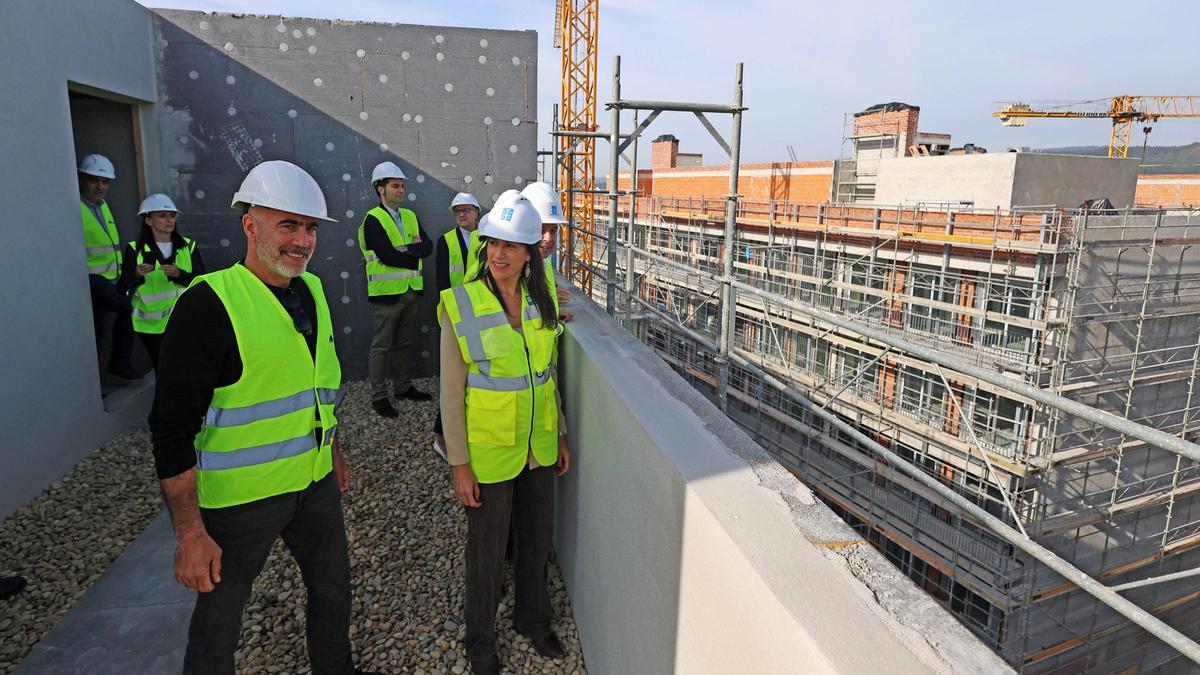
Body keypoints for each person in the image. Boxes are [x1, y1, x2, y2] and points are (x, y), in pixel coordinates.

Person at [149, 160, 377, 675]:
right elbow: (170, 429)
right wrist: (189, 534)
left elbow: (317, 389)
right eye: (288, 225)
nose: (303, 240)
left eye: (311, 227)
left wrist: (333, 452)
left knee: (332, 589)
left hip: (313, 483)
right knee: (220, 619)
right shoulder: (209, 304)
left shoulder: (312, 291)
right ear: (250, 224)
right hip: (240, 500)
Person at [439, 194, 572, 675]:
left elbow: (546, 373)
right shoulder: (460, 303)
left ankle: (533, 623)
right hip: (489, 451)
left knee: (537, 541)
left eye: (511, 246)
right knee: (487, 555)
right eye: (493, 242)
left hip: (537, 446)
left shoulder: (543, 299)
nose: (499, 253)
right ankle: (480, 643)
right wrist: (460, 463)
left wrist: (559, 435)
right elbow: (451, 394)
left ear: (530, 253)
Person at [357, 161, 434, 418]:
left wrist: (406, 250)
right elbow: (387, 255)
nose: (401, 190)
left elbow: (428, 247)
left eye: (402, 186)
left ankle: (402, 387)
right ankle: (379, 397)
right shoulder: (373, 220)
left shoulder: (410, 216)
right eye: (395, 186)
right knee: (381, 346)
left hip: (411, 290)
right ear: (381, 189)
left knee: (403, 343)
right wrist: (412, 252)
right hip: (387, 294)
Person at [118, 194, 204, 368]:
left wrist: (180, 274)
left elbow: (202, 281)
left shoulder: (188, 246)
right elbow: (122, 287)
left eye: (172, 215)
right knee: (164, 368)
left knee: (184, 367)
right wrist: (136, 274)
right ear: (148, 220)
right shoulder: (134, 249)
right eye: (162, 216)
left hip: (182, 320)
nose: (169, 220)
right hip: (150, 325)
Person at [79, 153, 138, 381]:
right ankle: (119, 365)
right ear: (83, 179)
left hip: (110, 278)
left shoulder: (102, 206)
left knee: (98, 331)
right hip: (92, 279)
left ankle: (99, 378)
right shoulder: (77, 208)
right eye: (94, 180)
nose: (100, 186)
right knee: (127, 308)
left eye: (104, 182)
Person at [432, 192, 483, 458]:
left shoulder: (486, 238)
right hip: (455, 316)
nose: (462, 215)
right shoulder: (446, 241)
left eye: (466, 210)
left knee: (470, 378)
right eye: (457, 211)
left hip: (481, 316)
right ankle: (442, 435)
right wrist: (446, 318)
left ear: (477, 212)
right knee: (454, 379)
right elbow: (442, 283)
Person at [520, 182, 573, 321]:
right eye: (541, 230)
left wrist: (553, 314)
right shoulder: (507, 269)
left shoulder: (544, 265)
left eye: (553, 231)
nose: (548, 238)